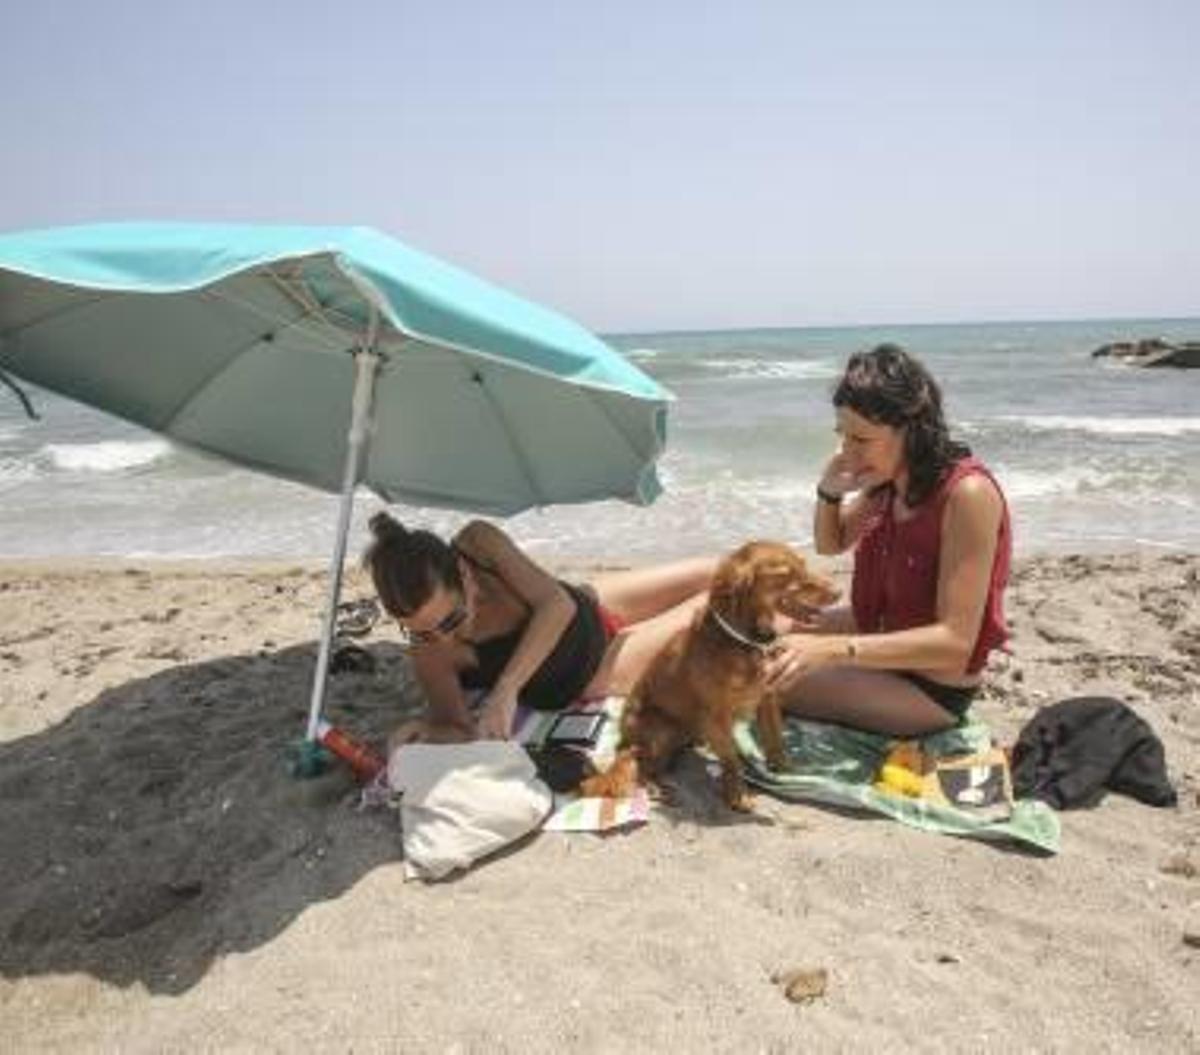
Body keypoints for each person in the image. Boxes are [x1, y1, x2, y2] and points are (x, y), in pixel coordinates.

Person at [764, 343, 1011, 736]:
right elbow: (832, 543)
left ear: (911, 428)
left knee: (749, 677)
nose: (847, 452)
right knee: (745, 624)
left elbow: (955, 641)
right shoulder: (890, 482)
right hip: (877, 643)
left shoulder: (968, 495)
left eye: (861, 439)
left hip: (927, 690)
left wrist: (829, 649)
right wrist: (829, 492)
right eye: (842, 436)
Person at [363, 513, 715, 744]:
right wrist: (423, 734)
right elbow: (457, 728)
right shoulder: (430, 653)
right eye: (421, 632)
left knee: (722, 571)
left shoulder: (478, 545)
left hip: (589, 604)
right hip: (593, 670)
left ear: (464, 574)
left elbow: (556, 603)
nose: (442, 638)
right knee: (720, 600)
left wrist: (505, 690)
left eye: (451, 620)